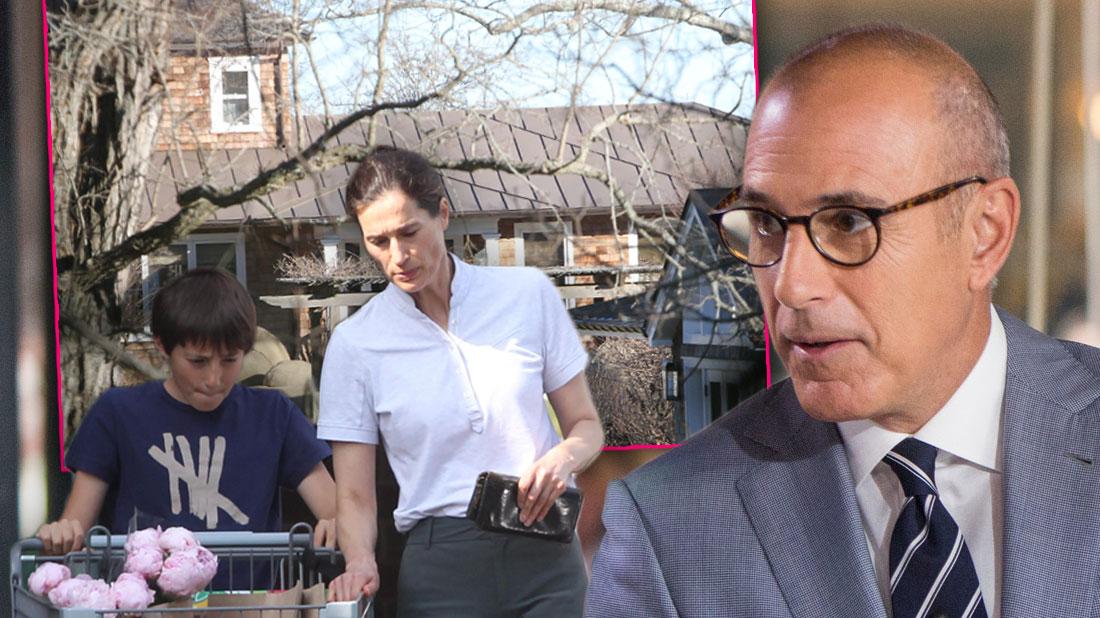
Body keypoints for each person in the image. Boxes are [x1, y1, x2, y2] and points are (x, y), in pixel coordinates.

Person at [586, 24, 1100, 618]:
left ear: (985, 233)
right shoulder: (667, 524)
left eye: (850, 222)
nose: (791, 284)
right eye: (766, 224)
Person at [318, 146, 604, 615]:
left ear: (443, 214)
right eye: (378, 241)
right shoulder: (356, 344)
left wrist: (560, 460)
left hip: (546, 553)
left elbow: (586, 426)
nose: (397, 256)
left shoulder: (527, 294)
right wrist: (360, 558)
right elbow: (352, 493)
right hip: (441, 568)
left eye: (409, 232)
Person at [36, 268, 337, 557]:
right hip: (147, 605)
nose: (214, 378)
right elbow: (77, 523)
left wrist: (336, 522)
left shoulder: (274, 414)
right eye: (198, 361)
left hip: (249, 606)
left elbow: (335, 510)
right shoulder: (117, 413)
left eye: (230, 360)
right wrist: (63, 533)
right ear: (163, 347)